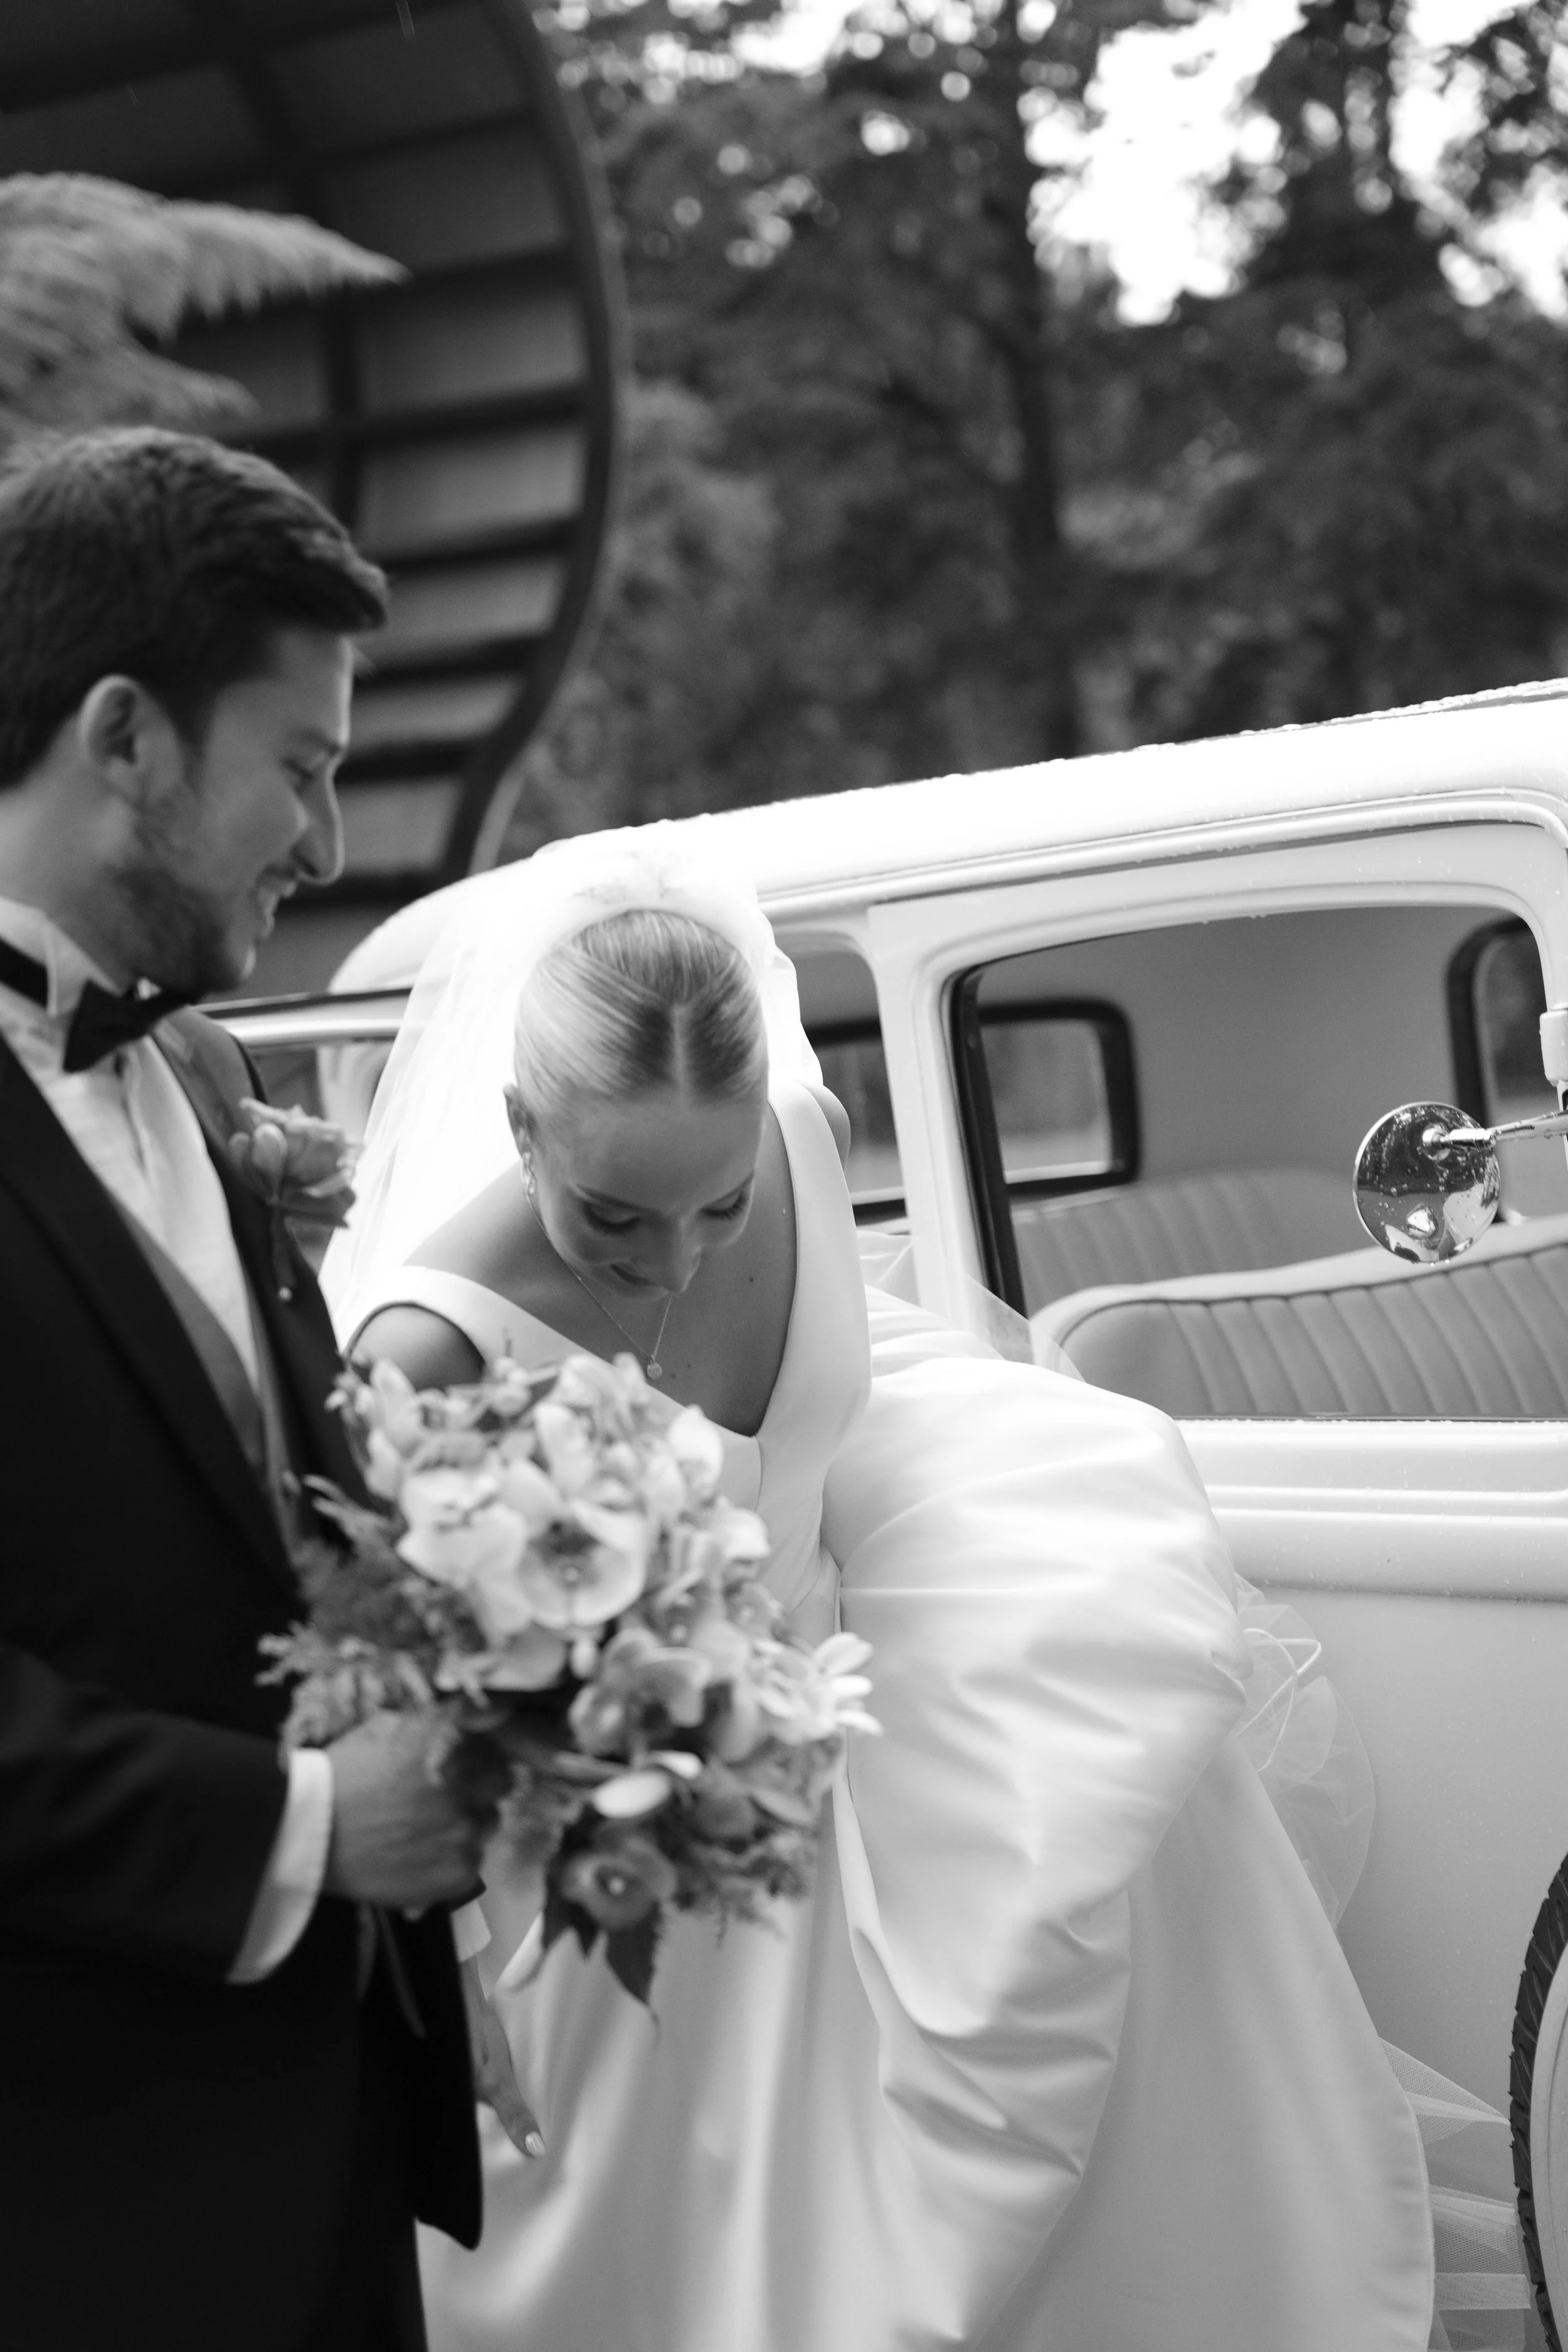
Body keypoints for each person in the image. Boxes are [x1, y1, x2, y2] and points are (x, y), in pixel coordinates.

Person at [329, 834, 1444, 2352]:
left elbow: (850, 1402)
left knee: (1109, 1916)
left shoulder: (793, 1126)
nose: (672, 1264)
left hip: (856, 1720)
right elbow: (383, 1708)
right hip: (624, 1871)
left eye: (717, 1209)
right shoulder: (418, 1355)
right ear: (517, 1126)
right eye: (612, 1219)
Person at [0, 428, 529, 2352]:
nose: (322, 839)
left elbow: (259, 1536)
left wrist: (415, 1943)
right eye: (297, 770)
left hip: (318, 2148)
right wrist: (302, 1830)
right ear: (125, 736)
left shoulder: (195, 1082)